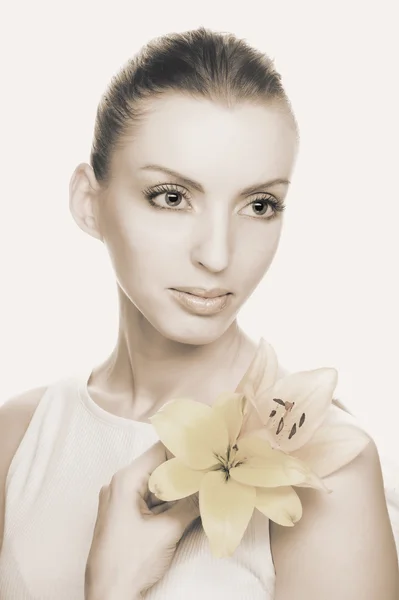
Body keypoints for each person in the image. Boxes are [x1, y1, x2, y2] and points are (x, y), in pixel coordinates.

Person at [0, 25, 398, 600]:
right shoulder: (18, 437)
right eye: (171, 197)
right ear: (90, 203)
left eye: (259, 205)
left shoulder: (325, 469)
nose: (217, 255)